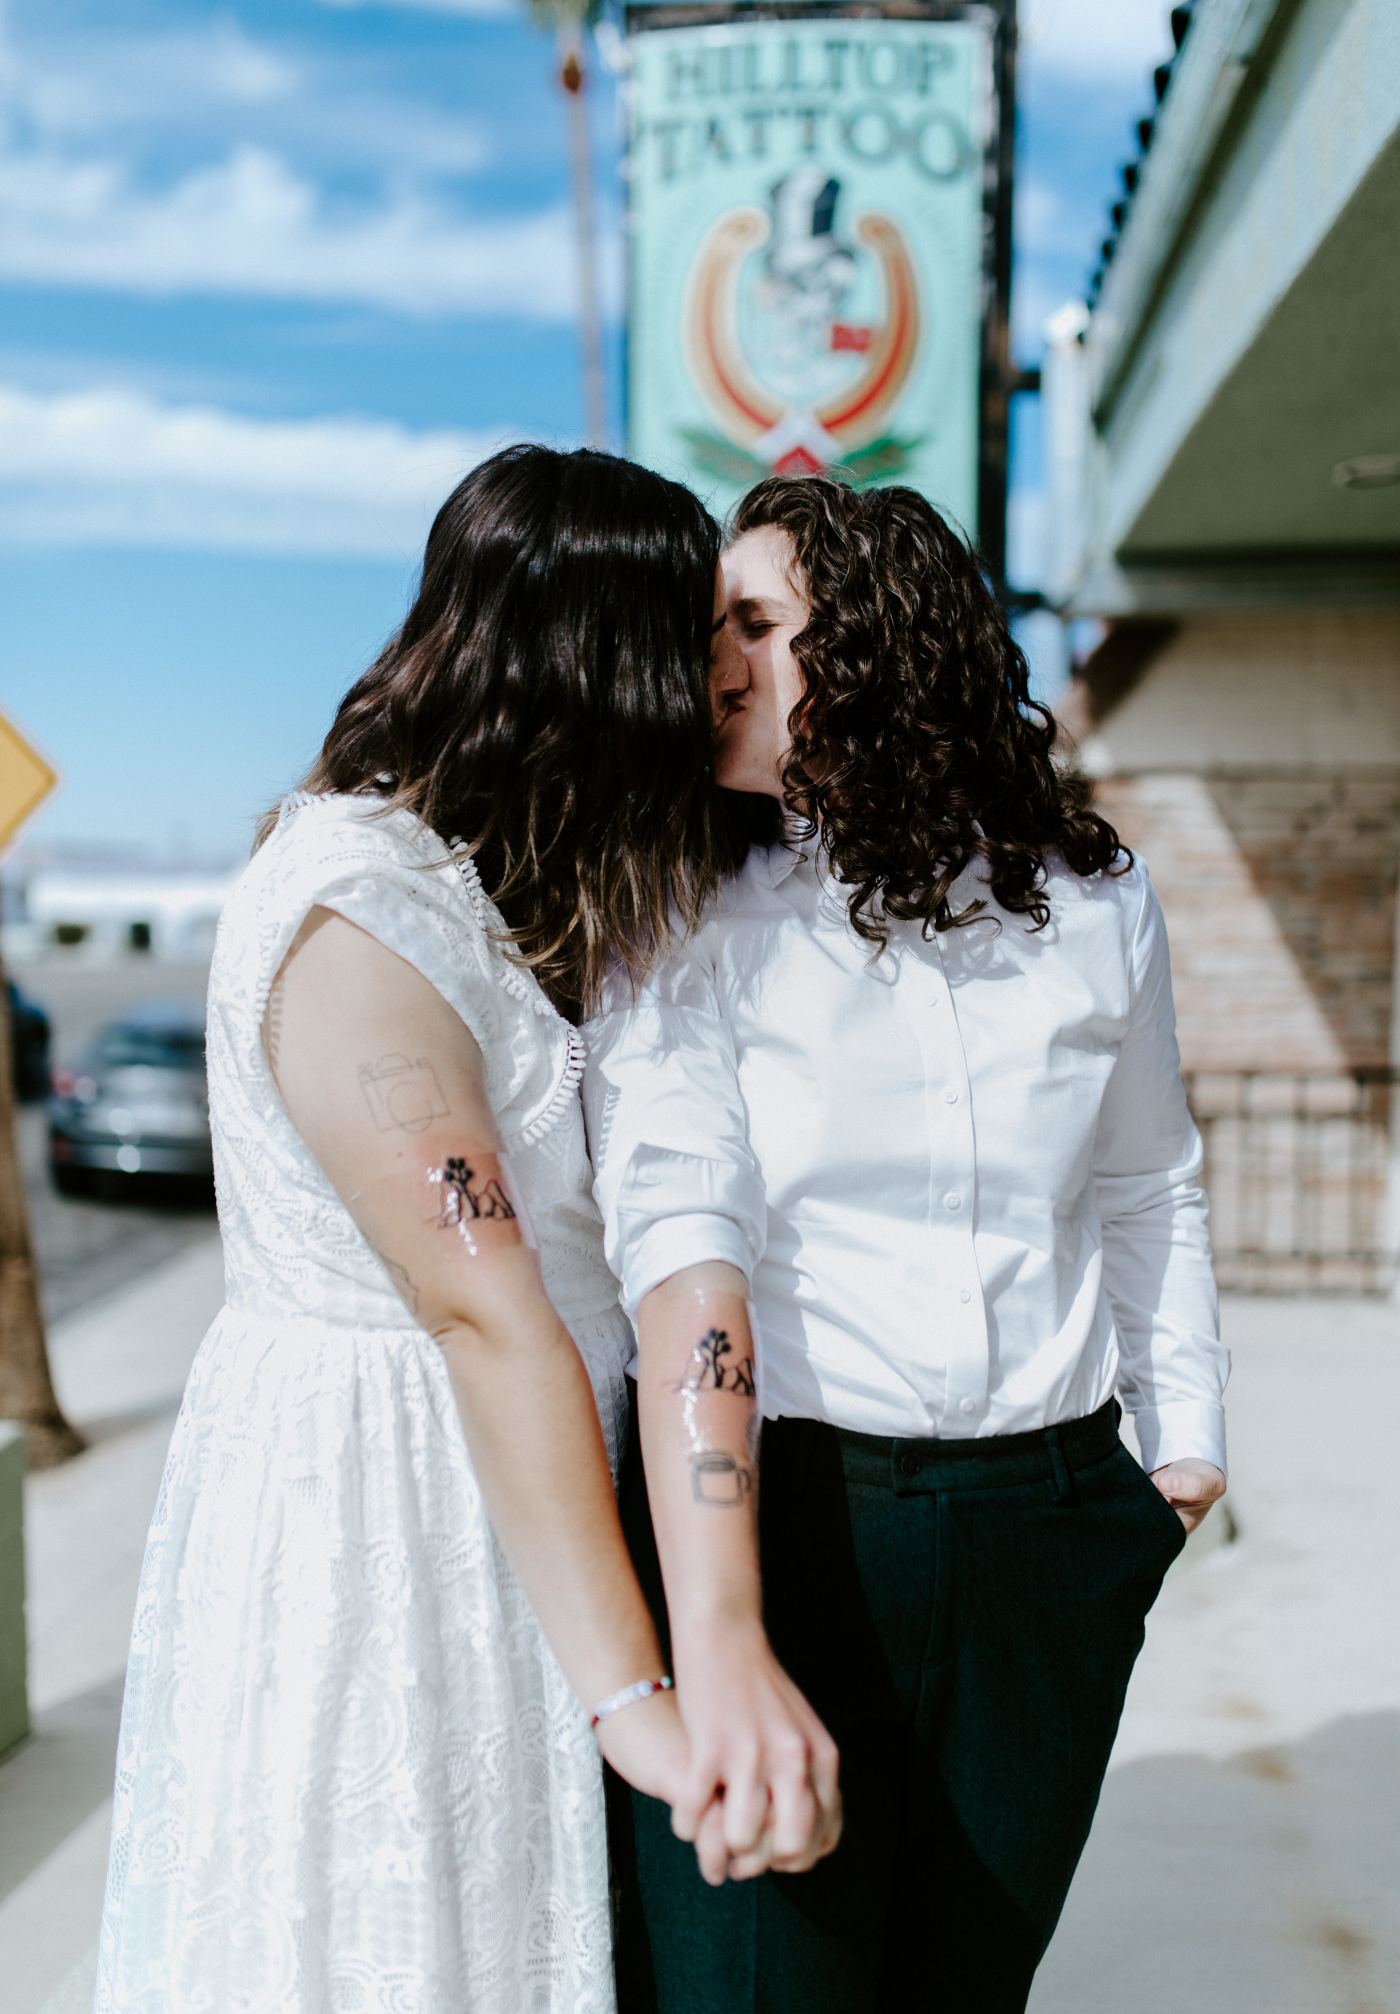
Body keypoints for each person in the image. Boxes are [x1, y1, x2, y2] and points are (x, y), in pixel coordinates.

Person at [93, 445, 838, 2014]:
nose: (720, 670)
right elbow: (483, 1308)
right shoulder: (363, 905)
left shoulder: (500, 882)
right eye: (695, 632)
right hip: (392, 1501)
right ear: (594, 659)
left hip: (517, 1495)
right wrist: (640, 1697)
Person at [583, 474, 1230, 2013]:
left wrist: (1182, 1458)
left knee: (963, 1988)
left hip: (1048, 1532)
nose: (714, 661)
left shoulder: (1094, 898)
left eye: (755, 622)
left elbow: (1150, 1183)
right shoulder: (677, 907)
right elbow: (682, 1235)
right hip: (782, 1527)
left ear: (882, 642)